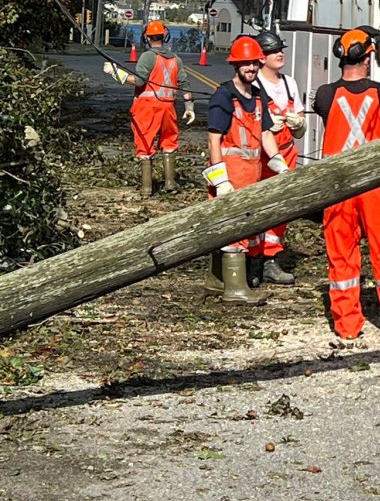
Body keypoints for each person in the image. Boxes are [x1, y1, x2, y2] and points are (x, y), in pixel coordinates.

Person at [313, 27, 380, 339]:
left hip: (337, 186)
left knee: (341, 255)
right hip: (376, 185)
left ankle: (347, 326)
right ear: (368, 58)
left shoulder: (324, 95)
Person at [202, 35, 290, 305]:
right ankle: (235, 289)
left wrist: (277, 160)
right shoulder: (224, 95)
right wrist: (220, 180)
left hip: (251, 173)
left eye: (254, 63)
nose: (251, 68)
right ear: (236, 65)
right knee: (233, 230)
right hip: (231, 174)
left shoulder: (258, 95)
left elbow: (264, 132)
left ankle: (217, 281)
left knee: (243, 227)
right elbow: (214, 138)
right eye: (246, 63)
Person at [103, 20, 195, 198]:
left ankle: (147, 188)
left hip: (148, 107)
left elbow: (139, 81)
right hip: (168, 106)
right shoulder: (175, 59)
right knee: (169, 142)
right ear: (165, 36)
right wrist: (189, 106)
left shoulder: (147, 57)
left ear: (146, 37)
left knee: (145, 144)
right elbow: (184, 83)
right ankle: (170, 183)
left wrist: (116, 73)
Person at [252, 29, 305, 286]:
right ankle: (253, 260)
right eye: (273, 51)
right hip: (261, 156)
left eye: (280, 49)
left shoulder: (289, 83)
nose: (279, 54)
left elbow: (300, 120)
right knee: (258, 207)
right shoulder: (254, 85)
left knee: (282, 208)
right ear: (261, 57)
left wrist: (299, 124)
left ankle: (271, 259)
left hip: (287, 152)